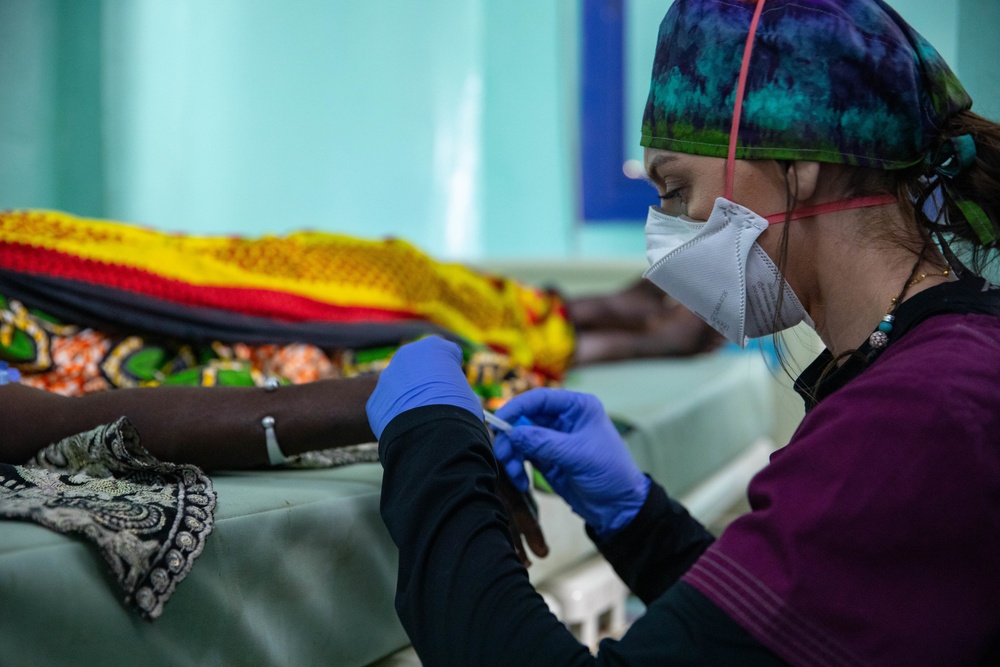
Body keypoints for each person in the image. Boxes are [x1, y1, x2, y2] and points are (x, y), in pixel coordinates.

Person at [367, 0, 1000, 664]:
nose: (667, 230)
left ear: (800, 162)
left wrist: (430, 440)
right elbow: (773, 639)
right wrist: (635, 515)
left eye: (675, 187)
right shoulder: (939, 363)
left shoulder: (920, 416)